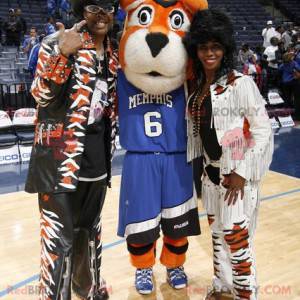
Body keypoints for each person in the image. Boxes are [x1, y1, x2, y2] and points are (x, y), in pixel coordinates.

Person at [25, 0, 118, 299]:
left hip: (97, 162)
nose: (101, 13)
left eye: (108, 5)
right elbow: (40, 94)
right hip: (58, 162)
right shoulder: (57, 42)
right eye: (93, 5)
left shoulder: (114, 52)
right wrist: (63, 54)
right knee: (57, 241)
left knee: (89, 234)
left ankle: (86, 289)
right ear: (82, 10)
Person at [184, 9, 273, 300]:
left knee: (237, 241)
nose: (209, 52)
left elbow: (262, 131)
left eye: (215, 46)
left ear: (225, 48)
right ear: (195, 49)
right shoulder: (197, 89)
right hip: (210, 177)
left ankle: (246, 294)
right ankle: (223, 287)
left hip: (235, 177)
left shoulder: (240, 83)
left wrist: (242, 172)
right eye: (203, 47)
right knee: (219, 238)